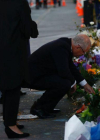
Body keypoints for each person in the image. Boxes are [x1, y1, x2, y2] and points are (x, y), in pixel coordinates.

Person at [28, 34, 94, 119]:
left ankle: (47, 108)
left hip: (40, 74)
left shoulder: (66, 44)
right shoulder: (61, 47)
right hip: (32, 77)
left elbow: (71, 67)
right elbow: (63, 71)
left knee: (65, 83)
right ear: (78, 47)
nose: (82, 54)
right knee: (64, 84)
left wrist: (85, 84)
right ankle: (38, 107)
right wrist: (73, 83)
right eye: (83, 52)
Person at [0, 0, 38, 139]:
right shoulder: (20, 3)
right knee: (13, 89)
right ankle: (11, 126)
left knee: (6, 88)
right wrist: (33, 26)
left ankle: (10, 121)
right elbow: (28, 29)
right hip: (13, 51)